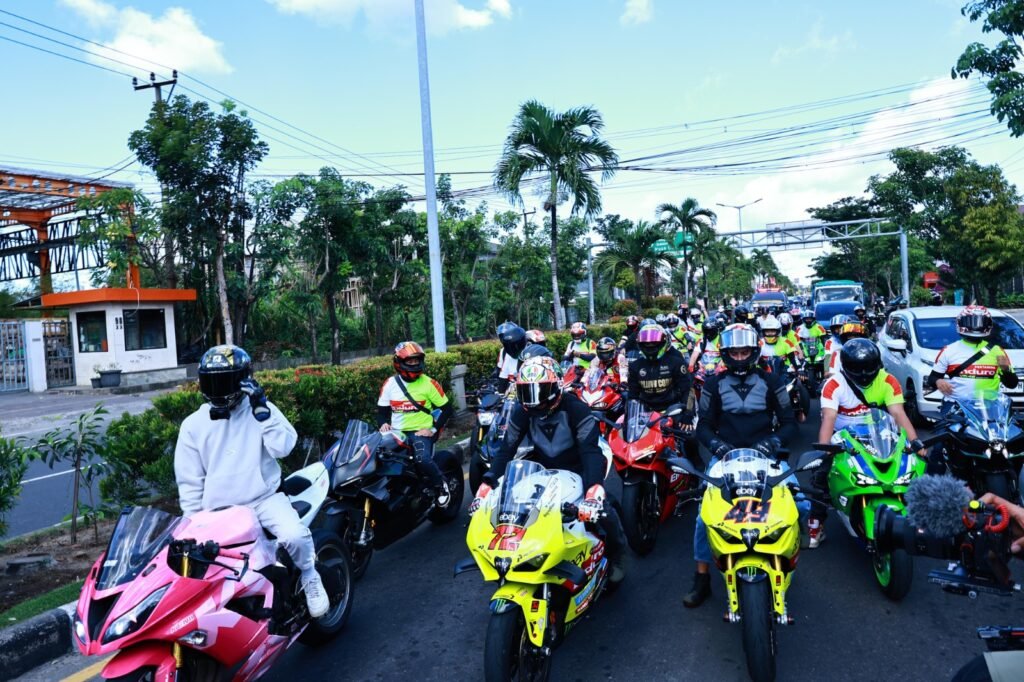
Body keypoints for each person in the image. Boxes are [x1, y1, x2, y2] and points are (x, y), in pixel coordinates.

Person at [175, 345, 329, 618]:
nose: (218, 389)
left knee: (294, 535)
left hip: (263, 500)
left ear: (242, 380)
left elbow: (284, 447)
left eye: (224, 381)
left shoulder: (260, 410)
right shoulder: (193, 425)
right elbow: (190, 482)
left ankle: (309, 574)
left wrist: (263, 411)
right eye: (211, 381)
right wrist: (192, 523)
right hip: (218, 513)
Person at [470, 356, 628, 584]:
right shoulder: (522, 411)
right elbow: (506, 449)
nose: (534, 401)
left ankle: (618, 555)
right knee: (522, 510)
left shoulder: (576, 408)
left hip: (579, 464)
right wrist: (488, 482)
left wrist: (594, 489)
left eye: (540, 391)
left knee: (603, 510)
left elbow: (590, 451)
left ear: (556, 387)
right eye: (527, 392)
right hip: (543, 466)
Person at [683, 325, 803, 607]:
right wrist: (717, 446)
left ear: (754, 352)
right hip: (724, 456)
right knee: (704, 518)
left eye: (744, 351)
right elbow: (704, 427)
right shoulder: (713, 384)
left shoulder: (772, 382)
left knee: (800, 506)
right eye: (734, 352)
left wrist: (773, 442)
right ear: (725, 354)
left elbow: (789, 423)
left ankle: (785, 562)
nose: (739, 357)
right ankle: (701, 578)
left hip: (766, 455)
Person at [813, 338, 925, 548]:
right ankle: (816, 522)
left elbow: (898, 414)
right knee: (821, 476)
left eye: (869, 368)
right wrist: (824, 451)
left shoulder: (889, 380)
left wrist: (916, 443)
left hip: (879, 433)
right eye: (857, 368)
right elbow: (828, 419)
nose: (864, 373)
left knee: (913, 467)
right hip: (842, 436)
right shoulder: (834, 384)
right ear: (846, 367)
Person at [377, 341, 455, 508]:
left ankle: (441, 486)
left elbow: (447, 409)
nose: (414, 364)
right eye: (410, 361)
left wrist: (432, 429)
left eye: (416, 360)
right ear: (398, 362)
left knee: (422, 459)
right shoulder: (389, 384)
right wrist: (383, 423)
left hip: (421, 432)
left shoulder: (429, 383)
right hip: (396, 433)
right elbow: (382, 412)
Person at [925, 305, 1018, 411]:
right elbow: (932, 379)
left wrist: (1006, 370)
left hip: (989, 408)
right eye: (971, 322)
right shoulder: (949, 350)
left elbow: (1012, 384)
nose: (976, 326)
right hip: (957, 407)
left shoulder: (997, 350)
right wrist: (938, 381)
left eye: (980, 322)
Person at [494, 321, 527, 392]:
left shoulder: (528, 351)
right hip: (511, 388)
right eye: (502, 336)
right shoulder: (504, 352)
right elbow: (502, 374)